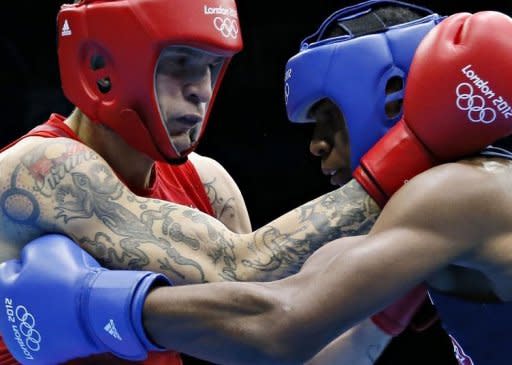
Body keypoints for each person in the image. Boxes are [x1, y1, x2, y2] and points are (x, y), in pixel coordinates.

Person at [2, 8, 511, 365]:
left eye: (211, 65)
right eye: (180, 61)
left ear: (396, 100)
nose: (201, 88)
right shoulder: (40, 168)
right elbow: (267, 326)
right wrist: (382, 316)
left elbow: (272, 325)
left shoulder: (456, 195)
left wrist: (92, 306)